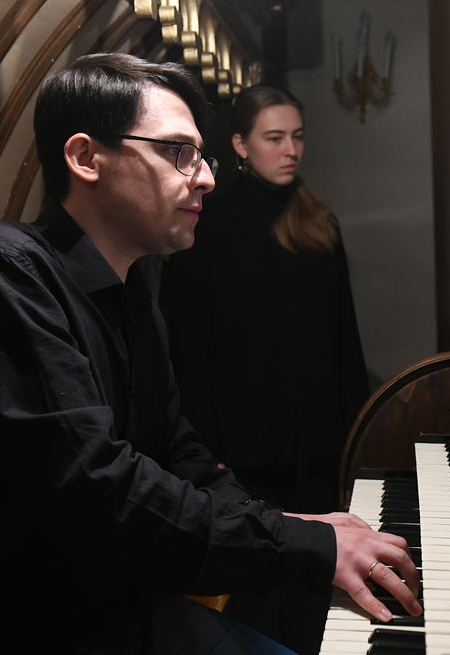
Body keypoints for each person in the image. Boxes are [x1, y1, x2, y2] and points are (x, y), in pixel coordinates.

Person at [0, 54, 420, 653]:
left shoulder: (131, 294)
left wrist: (282, 524)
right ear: (85, 158)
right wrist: (298, 544)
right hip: (1, 630)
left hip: (108, 613)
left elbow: (177, 449)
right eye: (178, 152)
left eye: (201, 156)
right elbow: (96, 488)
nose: (205, 178)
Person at [159, 86, 371, 652]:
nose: (290, 150)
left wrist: (357, 436)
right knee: (257, 599)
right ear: (240, 145)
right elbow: (186, 347)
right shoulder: (206, 222)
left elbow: (344, 340)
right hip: (240, 451)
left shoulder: (319, 219)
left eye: (297, 137)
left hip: (316, 446)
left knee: (319, 600)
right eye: (274, 138)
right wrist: (204, 448)